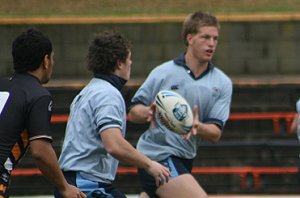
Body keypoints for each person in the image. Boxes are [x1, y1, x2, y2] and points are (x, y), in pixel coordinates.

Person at [128, 10, 233, 198]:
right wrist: (147, 112)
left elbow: (215, 134)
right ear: (190, 38)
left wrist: (197, 126)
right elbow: (133, 112)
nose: (211, 44)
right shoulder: (163, 72)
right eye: (206, 37)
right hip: (156, 156)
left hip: (185, 158)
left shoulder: (222, 83)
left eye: (215, 39)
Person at [54, 30, 170, 198]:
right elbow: (114, 145)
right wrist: (149, 164)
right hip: (86, 184)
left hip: (76, 181)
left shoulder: (89, 90)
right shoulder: (108, 94)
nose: (131, 63)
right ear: (119, 63)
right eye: (129, 58)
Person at [0, 29, 86, 198]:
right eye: (52, 58)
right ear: (46, 61)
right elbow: (40, 151)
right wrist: (64, 187)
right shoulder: (37, 95)